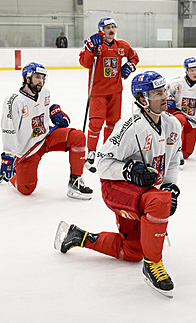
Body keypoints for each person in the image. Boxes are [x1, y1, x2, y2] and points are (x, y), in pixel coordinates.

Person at [53, 71, 181, 298]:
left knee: (132, 251)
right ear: (143, 99)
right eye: (157, 93)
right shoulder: (131, 126)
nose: (164, 96)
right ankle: (153, 265)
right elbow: (102, 163)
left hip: (142, 194)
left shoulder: (172, 126)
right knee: (159, 201)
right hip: (116, 189)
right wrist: (128, 170)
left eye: (165, 91)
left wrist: (170, 186)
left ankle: (78, 236)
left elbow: (171, 162)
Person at [0, 62, 93, 200]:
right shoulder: (15, 101)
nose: (40, 81)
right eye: (37, 77)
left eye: (43, 78)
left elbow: (43, 109)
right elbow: (8, 130)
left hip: (46, 137)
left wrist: (56, 113)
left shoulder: (45, 92)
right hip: (28, 149)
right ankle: (13, 175)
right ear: (27, 78)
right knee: (27, 189)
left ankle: (75, 180)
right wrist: (8, 157)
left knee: (78, 137)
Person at [79, 17, 139, 173]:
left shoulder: (122, 46)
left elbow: (134, 57)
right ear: (101, 30)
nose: (111, 30)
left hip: (115, 91)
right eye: (107, 27)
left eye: (113, 27)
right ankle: (91, 151)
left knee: (113, 124)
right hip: (97, 92)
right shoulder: (95, 45)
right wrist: (90, 47)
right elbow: (85, 63)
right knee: (96, 123)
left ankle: (107, 150)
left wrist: (129, 66)